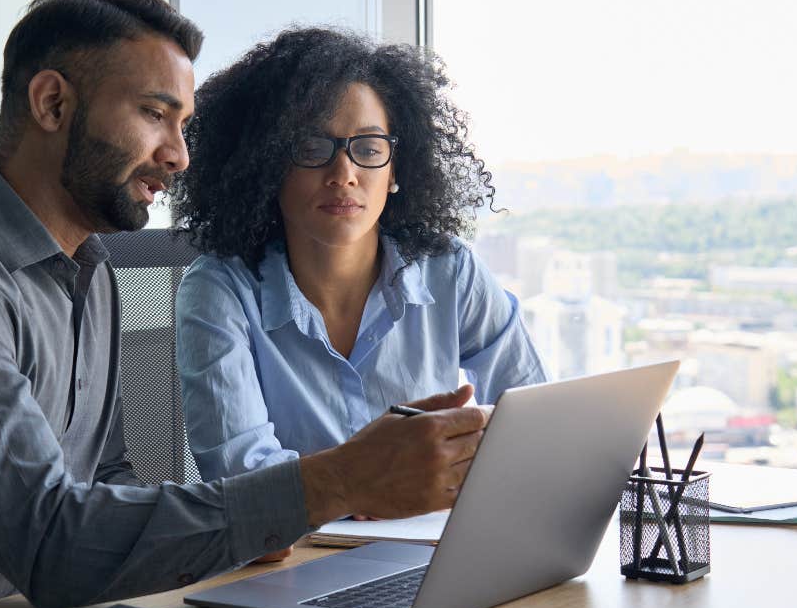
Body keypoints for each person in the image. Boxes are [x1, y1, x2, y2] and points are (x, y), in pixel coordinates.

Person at [0, 0, 488, 608]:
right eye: (154, 115)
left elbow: (105, 481)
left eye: (184, 124)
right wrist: (331, 483)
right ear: (52, 104)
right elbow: (52, 545)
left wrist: (251, 519)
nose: (179, 156)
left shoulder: (89, 271)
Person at [170, 29, 546, 559]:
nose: (343, 173)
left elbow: (530, 419)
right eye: (311, 147)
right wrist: (365, 483)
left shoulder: (449, 270)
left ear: (396, 170)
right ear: (265, 165)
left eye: (369, 149)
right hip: (288, 569)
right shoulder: (218, 291)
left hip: (437, 553)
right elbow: (245, 485)